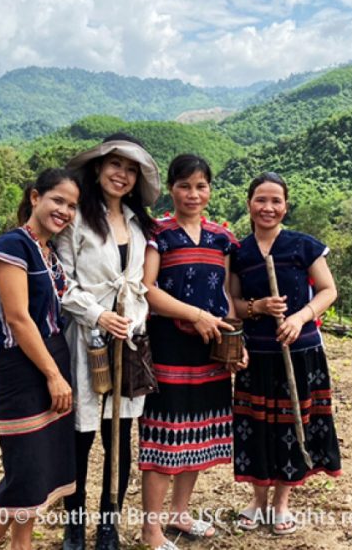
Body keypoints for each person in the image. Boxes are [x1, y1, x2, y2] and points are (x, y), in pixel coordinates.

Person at [54, 133, 161, 550]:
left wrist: (131, 321)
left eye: (131, 169)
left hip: (129, 340)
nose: (123, 174)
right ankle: (75, 524)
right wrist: (99, 314)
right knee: (81, 435)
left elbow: (140, 285)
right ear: (98, 169)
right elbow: (62, 280)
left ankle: (108, 525)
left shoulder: (139, 224)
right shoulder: (77, 218)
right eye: (116, 165)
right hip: (87, 338)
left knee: (119, 435)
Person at [138, 154, 247, 550]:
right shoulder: (158, 233)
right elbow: (147, 289)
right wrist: (195, 315)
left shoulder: (222, 237)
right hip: (169, 349)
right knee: (164, 439)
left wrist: (236, 342)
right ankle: (151, 529)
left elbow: (228, 297)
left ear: (210, 190)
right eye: (185, 185)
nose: (193, 194)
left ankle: (179, 513)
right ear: (172, 189)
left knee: (197, 436)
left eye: (201, 186)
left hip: (211, 352)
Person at [228, 172, 342, 536]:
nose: (268, 207)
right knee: (257, 427)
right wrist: (257, 306)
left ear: (285, 206)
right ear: (249, 204)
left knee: (293, 425)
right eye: (261, 199)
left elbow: (327, 290)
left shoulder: (303, 246)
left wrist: (299, 317)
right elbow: (232, 303)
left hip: (301, 352)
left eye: (276, 201)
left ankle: (281, 504)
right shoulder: (239, 253)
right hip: (257, 354)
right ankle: (257, 503)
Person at [0, 168, 80, 550]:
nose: (64, 211)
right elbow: (18, 318)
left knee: (38, 476)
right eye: (58, 200)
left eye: (72, 206)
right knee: (21, 477)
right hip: (23, 368)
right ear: (35, 197)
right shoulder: (12, 247)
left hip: (54, 356)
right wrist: (53, 375)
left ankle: (23, 545)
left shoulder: (49, 251)